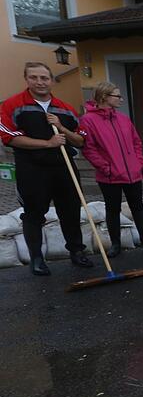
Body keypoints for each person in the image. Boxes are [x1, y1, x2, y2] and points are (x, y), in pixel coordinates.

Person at [0, 62, 92, 276]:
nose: (40, 82)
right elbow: (9, 138)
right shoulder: (13, 106)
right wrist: (47, 143)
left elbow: (80, 140)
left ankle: (77, 251)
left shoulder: (65, 108)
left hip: (64, 167)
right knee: (33, 214)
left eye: (44, 78)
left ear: (51, 80)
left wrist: (61, 128)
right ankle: (37, 258)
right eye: (34, 78)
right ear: (27, 79)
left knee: (70, 211)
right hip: (32, 169)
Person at [78, 82, 143, 258]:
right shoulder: (88, 120)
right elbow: (89, 149)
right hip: (109, 176)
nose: (121, 99)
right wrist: (105, 167)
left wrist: (139, 162)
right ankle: (115, 244)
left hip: (132, 173)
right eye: (117, 95)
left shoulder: (123, 118)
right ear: (104, 97)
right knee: (112, 210)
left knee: (138, 207)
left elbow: (136, 141)